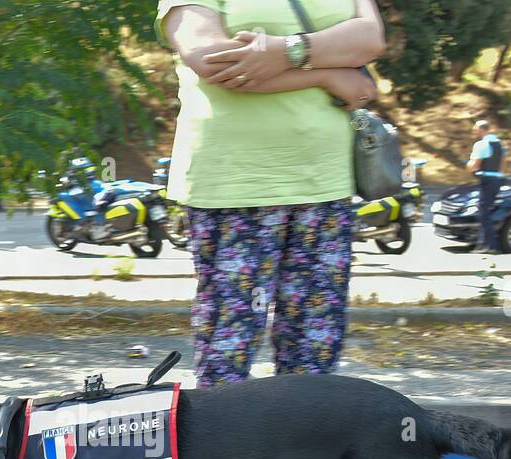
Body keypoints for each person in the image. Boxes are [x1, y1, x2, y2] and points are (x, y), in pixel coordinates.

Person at [157, 0, 383, 386]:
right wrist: (325, 75)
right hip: (235, 188)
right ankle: (227, 447)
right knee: (229, 351)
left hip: (325, 185)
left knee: (314, 355)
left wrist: (284, 52)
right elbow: (212, 59)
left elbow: (369, 38)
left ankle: (307, 446)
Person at [465, 119, 504, 254]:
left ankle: (492, 246)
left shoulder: (481, 144)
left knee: (483, 214)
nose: (474, 132)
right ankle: (482, 245)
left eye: (475, 129)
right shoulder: (499, 144)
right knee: (486, 212)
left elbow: (473, 166)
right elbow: (501, 166)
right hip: (497, 180)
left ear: (482, 130)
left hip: (486, 181)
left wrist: (468, 165)